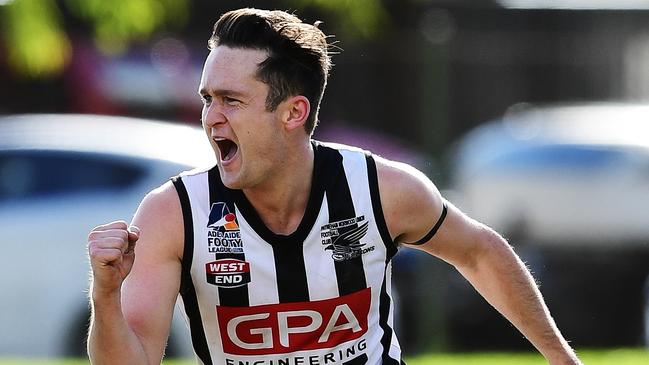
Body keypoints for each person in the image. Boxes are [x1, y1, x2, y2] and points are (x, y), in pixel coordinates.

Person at [87, 8, 583, 365]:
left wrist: (562, 359)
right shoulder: (173, 213)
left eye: (231, 100)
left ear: (293, 112)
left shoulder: (380, 189)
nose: (210, 117)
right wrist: (106, 294)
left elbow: (479, 251)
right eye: (207, 98)